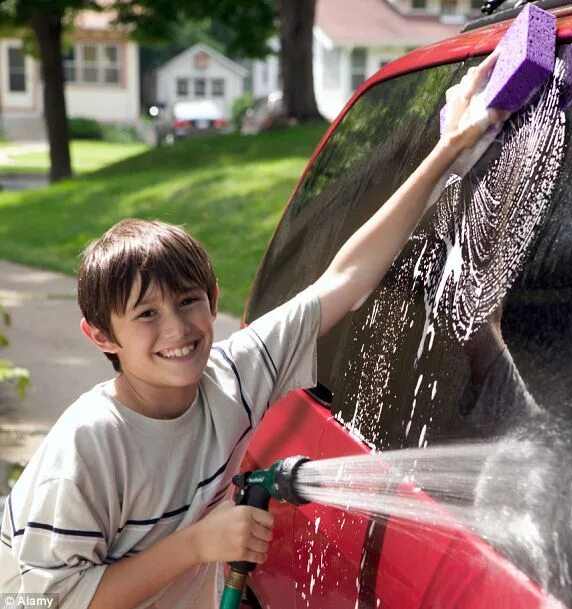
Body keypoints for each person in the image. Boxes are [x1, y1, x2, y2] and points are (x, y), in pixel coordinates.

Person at [0, 56, 508, 609]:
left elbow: (345, 279)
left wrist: (448, 149)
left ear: (214, 298)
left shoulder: (232, 378)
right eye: (145, 314)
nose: (178, 328)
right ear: (101, 336)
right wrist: (197, 544)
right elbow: (49, 601)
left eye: (189, 302)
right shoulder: (90, 447)